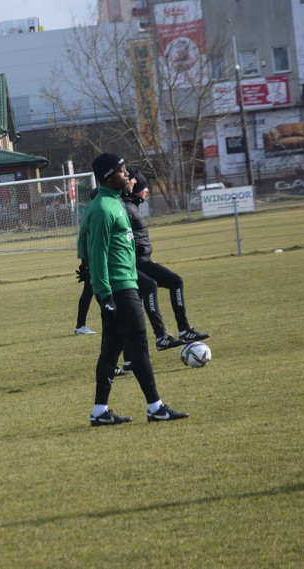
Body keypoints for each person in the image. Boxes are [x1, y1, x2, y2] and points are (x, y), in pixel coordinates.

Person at [80, 152, 189, 426]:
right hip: (119, 289)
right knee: (139, 347)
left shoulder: (113, 203)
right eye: (122, 171)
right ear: (107, 176)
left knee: (110, 351)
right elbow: (97, 254)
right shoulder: (103, 209)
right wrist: (104, 295)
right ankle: (155, 407)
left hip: (123, 283)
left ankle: (100, 412)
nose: (127, 174)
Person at [124, 169, 210, 347]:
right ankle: (161, 336)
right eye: (143, 187)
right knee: (151, 288)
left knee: (175, 281)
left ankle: (183, 329)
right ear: (136, 189)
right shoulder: (126, 207)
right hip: (137, 262)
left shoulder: (133, 206)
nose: (146, 190)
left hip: (144, 260)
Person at [74, 259, 95, 335]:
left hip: (90, 262)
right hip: (91, 263)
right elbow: (84, 247)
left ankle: (80, 326)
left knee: (88, 292)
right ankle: (80, 326)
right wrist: (85, 265)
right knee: (88, 292)